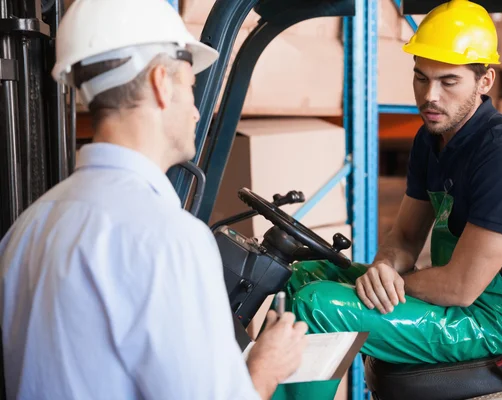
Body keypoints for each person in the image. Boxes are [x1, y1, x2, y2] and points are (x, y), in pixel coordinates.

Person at [0, 0, 307, 399]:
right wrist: (265, 368)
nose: (197, 113)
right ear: (162, 82)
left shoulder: (26, 229)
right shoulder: (169, 238)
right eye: (190, 87)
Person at [271, 1, 502, 399]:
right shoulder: (432, 139)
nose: (429, 96)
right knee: (302, 274)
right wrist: (384, 267)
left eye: (448, 81)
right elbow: (405, 235)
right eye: (420, 78)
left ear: (485, 80)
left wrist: (393, 285)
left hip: (488, 321)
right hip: (454, 300)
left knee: (320, 306)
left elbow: (460, 287)